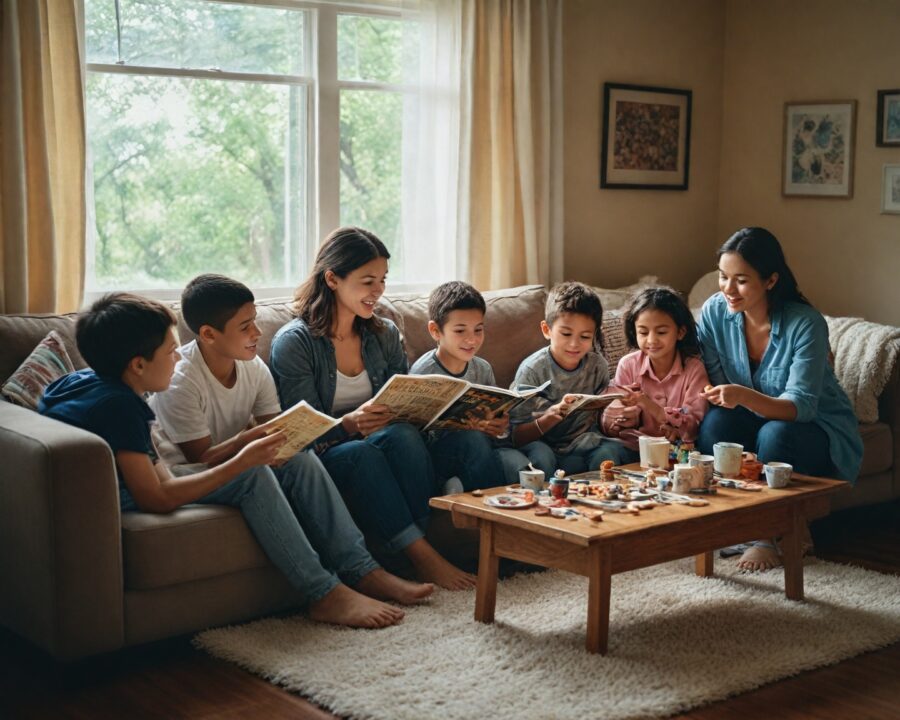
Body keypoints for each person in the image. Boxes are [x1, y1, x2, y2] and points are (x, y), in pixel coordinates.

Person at [39, 292, 427, 630]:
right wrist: (242, 461)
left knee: (293, 457)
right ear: (138, 364)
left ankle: (363, 569)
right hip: (117, 500)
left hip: (134, 483)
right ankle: (323, 592)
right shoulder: (118, 405)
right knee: (254, 474)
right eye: (171, 350)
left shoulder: (90, 382)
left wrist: (250, 445)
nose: (178, 358)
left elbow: (154, 471)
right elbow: (155, 497)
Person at [270, 227, 476, 591]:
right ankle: (422, 557)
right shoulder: (295, 344)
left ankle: (407, 551)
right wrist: (348, 424)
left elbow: (403, 400)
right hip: (328, 452)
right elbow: (301, 432)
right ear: (332, 278)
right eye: (368, 281)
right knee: (363, 454)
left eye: (382, 280)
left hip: (384, 439)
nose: (378, 291)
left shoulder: (383, 334)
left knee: (404, 435)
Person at [696, 227, 863, 571]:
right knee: (715, 422)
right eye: (723, 277)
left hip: (813, 428)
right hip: (752, 417)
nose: (728, 289)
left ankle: (768, 534)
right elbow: (711, 378)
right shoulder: (715, 313)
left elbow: (800, 407)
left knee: (774, 433)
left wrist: (742, 394)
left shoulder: (806, 324)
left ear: (770, 281)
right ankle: (731, 521)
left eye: (741, 280)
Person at [410, 281, 540, 489]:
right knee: (472, 440)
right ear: (435, 331)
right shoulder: (423, 372)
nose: (471, 339)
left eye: (478, 330)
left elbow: (497, 426)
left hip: (480, 447)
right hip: (439, 456)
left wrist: (497, 426)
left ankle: (463, 487)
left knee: (522, 464)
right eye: (460, 331)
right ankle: (485, 507)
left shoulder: (482, 368)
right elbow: (416, 437)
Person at [508, 281, 630, 476]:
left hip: (582, 444)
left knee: (609, 453)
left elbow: (601, 414)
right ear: (547, 330)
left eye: (584, 336)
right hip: (541, 443)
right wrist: (548, 419)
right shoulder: (532, 369)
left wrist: (618, 409)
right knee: (542, 458)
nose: (574, 344)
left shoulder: (597, 366)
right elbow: (515, 435)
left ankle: (599, 503)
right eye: (566, 334)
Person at [600, 286, 709, 461]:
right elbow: (610, 415)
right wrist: (620, 419)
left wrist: (649, 405)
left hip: (676, 451)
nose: (651, 340)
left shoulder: (694, 369)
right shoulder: (628, 365)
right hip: (632, 446)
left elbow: (693, 425)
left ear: (680, 332)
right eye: (643, 332)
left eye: (661, 332)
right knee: (605, 453)